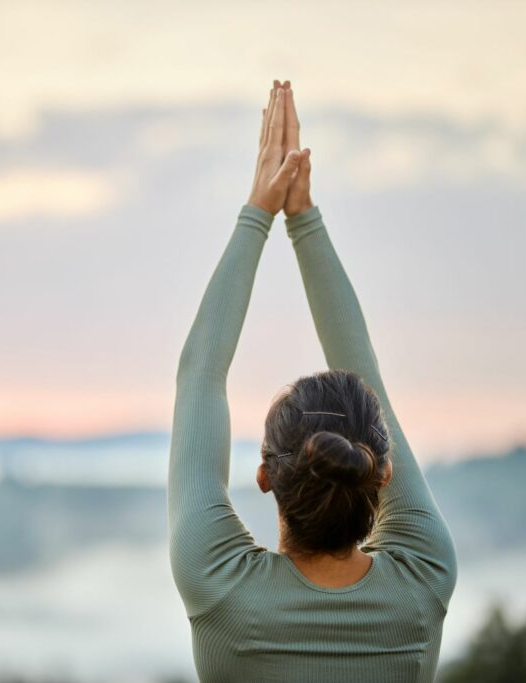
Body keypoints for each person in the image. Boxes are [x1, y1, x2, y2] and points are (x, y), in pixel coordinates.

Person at [167, 79, 458, 682]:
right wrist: (303, 221)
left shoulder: (220, 588)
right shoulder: (421, 583)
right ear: (382, 470)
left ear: (267, 476)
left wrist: (261, 213)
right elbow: (365, 373)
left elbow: (200, 376)